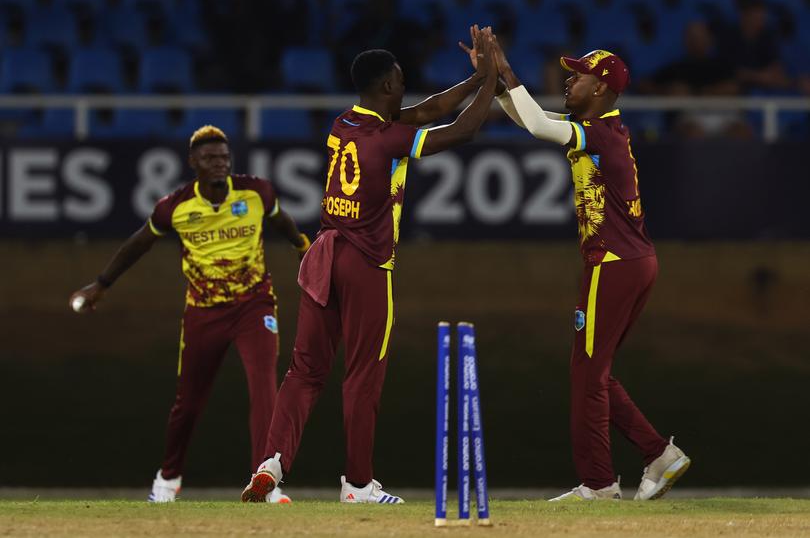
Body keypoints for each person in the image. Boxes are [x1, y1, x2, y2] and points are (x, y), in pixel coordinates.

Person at [240, 27, 498, 504]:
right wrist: (493, 80)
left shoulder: (345, 123)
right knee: (363, 374)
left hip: (324, 255)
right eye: (400, 80)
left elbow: (429, 110)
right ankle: (358, 485)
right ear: (385, 87)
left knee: (304, 371)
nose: (405, 87)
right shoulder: (388, 141)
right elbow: (464, 130)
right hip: (366, 262)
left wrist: (472, 79)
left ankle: (271, 463)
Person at [488, 40, 691, 501]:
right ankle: (659, 455)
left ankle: (599, 485)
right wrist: (500, 84)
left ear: (600, 88)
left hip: (613, 263)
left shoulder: (597, 132)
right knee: (595, 372)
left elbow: (538, 123)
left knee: (587, 375)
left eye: (578, 76)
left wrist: (507, 68)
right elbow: (531, 120)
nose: (567, 80)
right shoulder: (596, 127)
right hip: (633, 261)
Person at [68, 125, 310, 504]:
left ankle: (265, 481)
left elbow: (280, 220)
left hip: (255, 305)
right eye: (210, 158)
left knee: (264, 385)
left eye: (224, 158)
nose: (219, 164)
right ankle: (168, 477)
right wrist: (101, 284)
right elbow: (138, 244)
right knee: (190, 401)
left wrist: (300, 244)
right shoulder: (175, 207)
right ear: (192, 162)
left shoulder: (256, 192)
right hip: (204, 313)